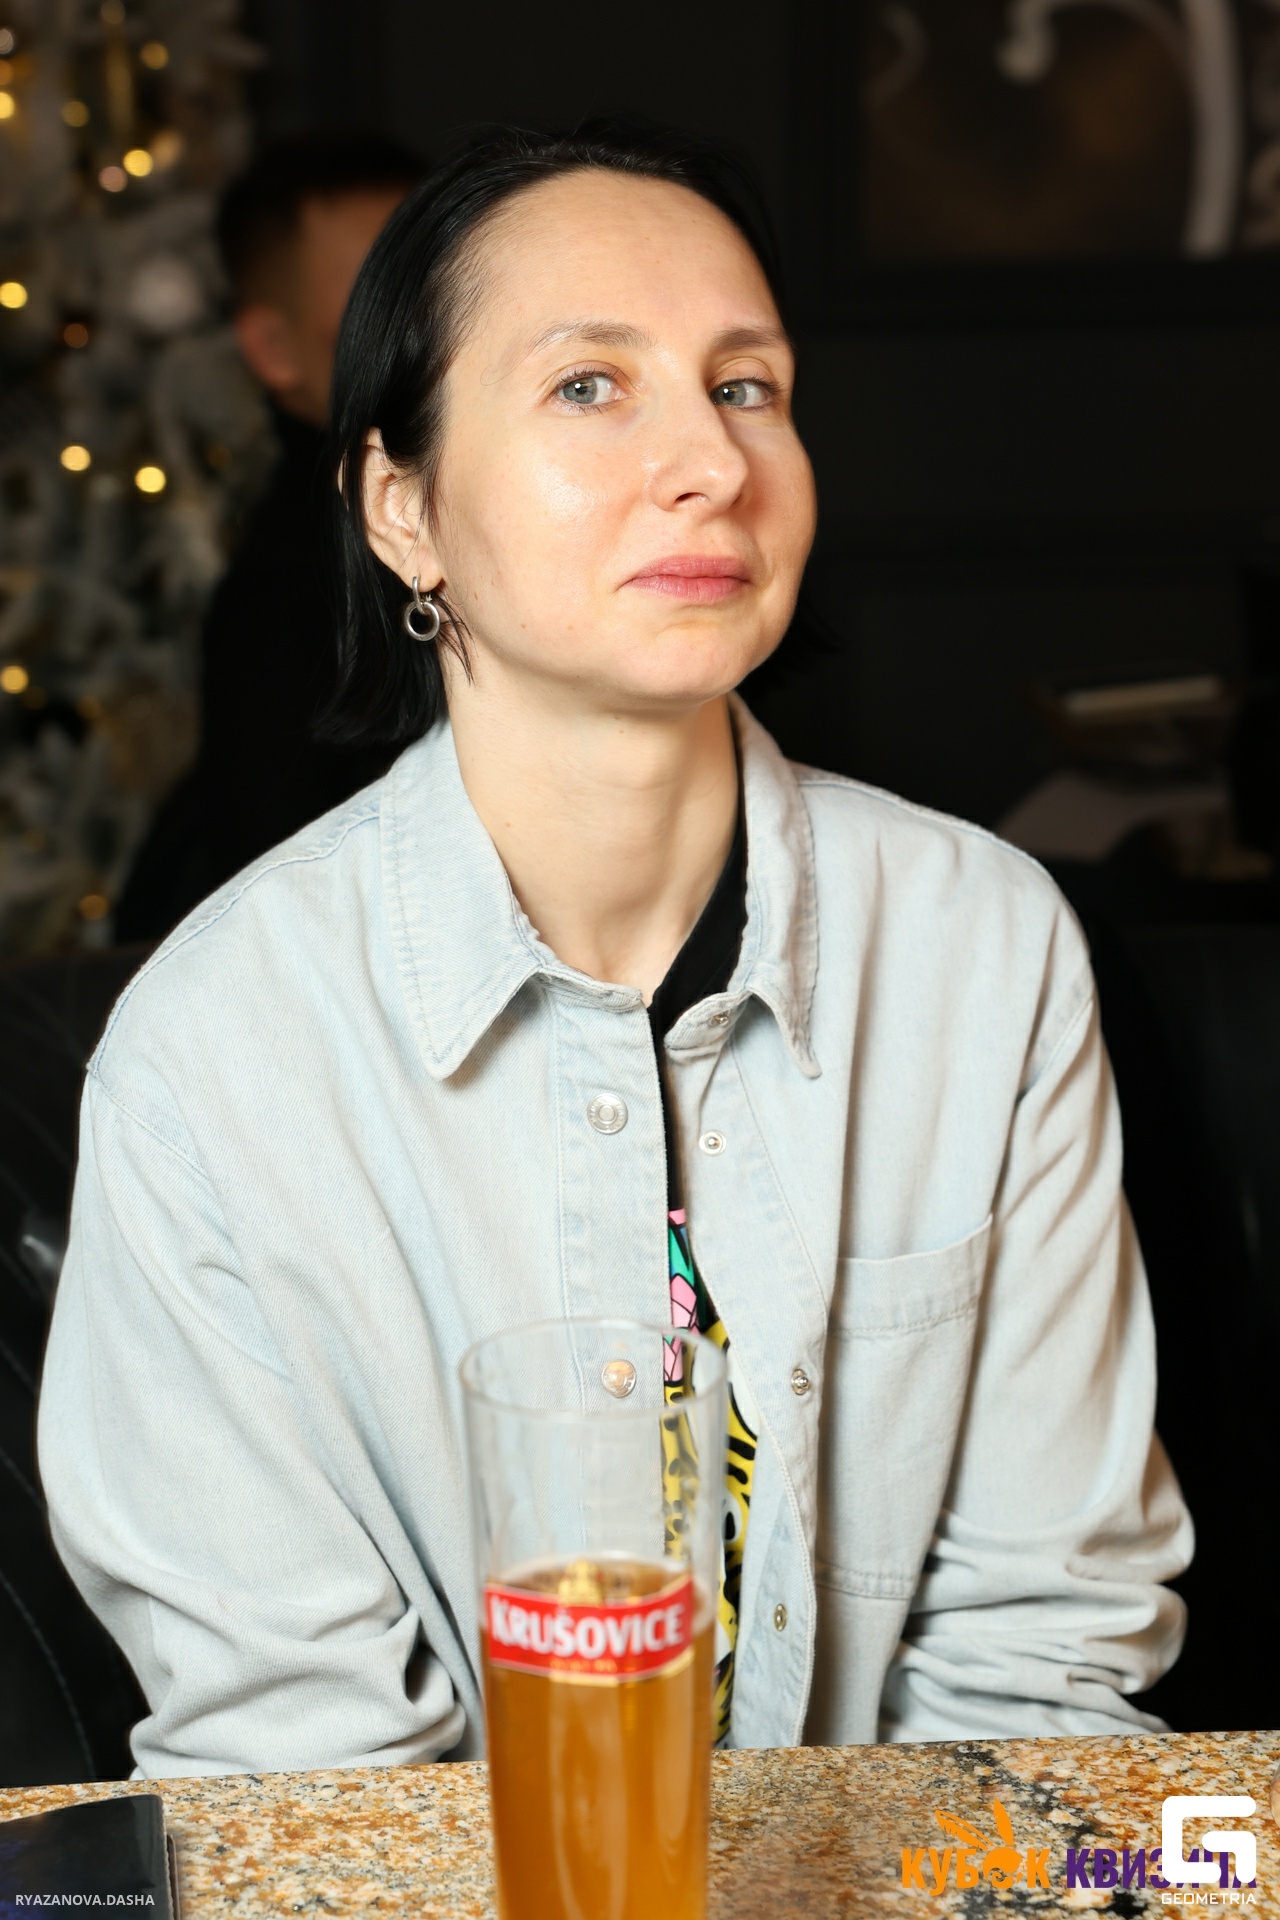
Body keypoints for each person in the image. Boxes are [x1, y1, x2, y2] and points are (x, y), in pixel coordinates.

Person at [41, 124, 1191, 1777]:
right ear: (403, 506)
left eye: (747, 386)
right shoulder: (211, 1056)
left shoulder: (984, 948)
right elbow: (303, 1775)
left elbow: (1042, 1659)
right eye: (589, 385)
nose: (712, 461)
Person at [114, 132, 422, 941]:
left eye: (440, 284)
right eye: (376, 304)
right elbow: (281, 917)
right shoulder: (287, 595)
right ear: (275, 351)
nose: (426, 331)